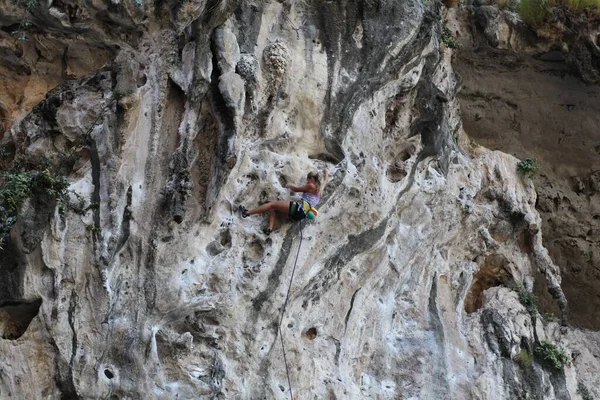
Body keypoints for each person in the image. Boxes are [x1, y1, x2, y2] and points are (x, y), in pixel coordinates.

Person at [239, 169, 328, 235]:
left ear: (312, 178)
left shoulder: (311, 186)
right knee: (274, 209)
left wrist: (289, 185)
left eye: (308, 178)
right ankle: (269, 229)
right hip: (301, 215)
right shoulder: (320, 191)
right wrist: (326, 173)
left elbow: (296, 189)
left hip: (298, 208)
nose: (307, 180)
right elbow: (325, 181)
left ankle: (246, 213)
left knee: (271, 205)